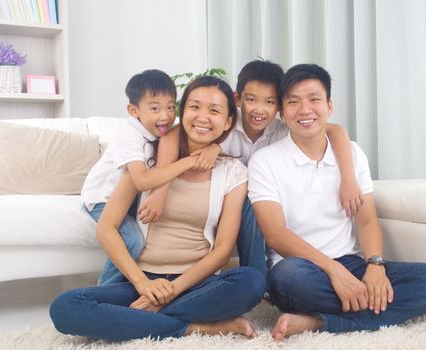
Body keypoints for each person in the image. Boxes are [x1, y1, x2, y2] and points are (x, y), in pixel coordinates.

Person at [50, 76, 265, 341]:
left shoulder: (233, 172)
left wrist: (171, 291)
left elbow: (222, 252)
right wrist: (143, 284)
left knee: (252, 282)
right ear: (181, 113)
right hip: (144, 281)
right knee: (65, 307)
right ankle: (194, 327)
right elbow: (107, 228)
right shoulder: (145, 160)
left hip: (194, 283)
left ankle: (142, 319)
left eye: (214, 110)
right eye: (194, 107)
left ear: (228, 121)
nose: (202, 117)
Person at [247, 63, 426, 340]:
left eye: (314, 99)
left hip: (352, 262)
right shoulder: (265, 161)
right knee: (287, 278)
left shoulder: (352, 154)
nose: (305, 109)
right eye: (293, 102)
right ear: (282, 113)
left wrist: (375, 266)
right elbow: (275, 234)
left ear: (330, 106)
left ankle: (317, 322)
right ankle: (383, 309)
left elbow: (366, 220)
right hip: (302, 269)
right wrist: (334, 272)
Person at [138, 59, 363, 279]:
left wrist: (348, 178)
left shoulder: (282, 129)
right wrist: (162, 189)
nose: (259, 110)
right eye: (251, 100)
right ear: (237, 99)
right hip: (224, 196)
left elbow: (335, 131)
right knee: (249, 203)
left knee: (257, 204)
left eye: (270, 102)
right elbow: (172, 136)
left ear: (280, 106)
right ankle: (256, 273)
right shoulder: (224, 124)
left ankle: (260, 277)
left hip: (266, 200)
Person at [81, 69, 215, 285]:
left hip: (133, 199)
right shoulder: (129, 134)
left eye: (171, 107)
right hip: (102, 198)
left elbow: (200, 131)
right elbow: (141, 180)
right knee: (133, 239)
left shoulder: (163, 129)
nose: (165, 115)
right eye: (155, 108)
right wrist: (189, 162)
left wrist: (214, 148)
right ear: (133, 110)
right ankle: (105, 289)